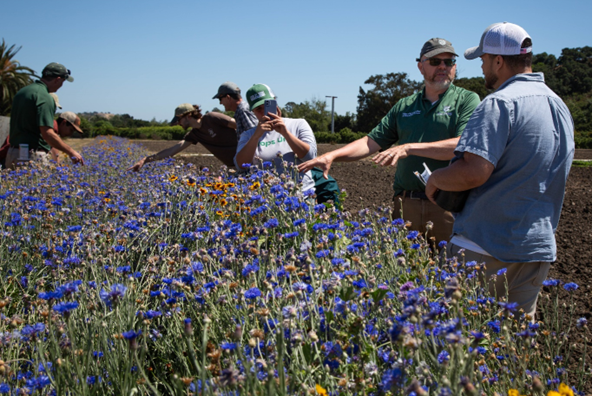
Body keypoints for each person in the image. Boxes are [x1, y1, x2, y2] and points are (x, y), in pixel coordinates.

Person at [425, 22, 575, 319]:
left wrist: (435, 180)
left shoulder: (499, 104)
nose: (481, 68)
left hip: (483, 247)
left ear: (498, 60)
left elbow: (474, 171)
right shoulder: (559, 106)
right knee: (514, 348)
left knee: (461, 340)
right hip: (535, 249)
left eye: (483, 59)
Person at [299, 38, 480, 243]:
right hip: (406, 204)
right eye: (435, 61)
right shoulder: (405, 106)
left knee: (449, 270)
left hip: (447, 204)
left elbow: (462, 145)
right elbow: (370, 142)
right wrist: (332, 155)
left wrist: (409, 148)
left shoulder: (467, 100)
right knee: (405, 270)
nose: (442, 66)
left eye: (449, 62)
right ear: (420, 66)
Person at [234, 84, 317, 192]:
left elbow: (310, 157)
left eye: (267, 105)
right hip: (266, 198)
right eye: (258, 109)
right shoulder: (248, 135)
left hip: (301, 196)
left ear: (275, 103)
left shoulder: (298, 124)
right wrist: (256, 136)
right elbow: (241, 165)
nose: (264, 111)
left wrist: (285, 133)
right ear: (253, 112)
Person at [5, 62, 84, 168]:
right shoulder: (44, 97)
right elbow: (47, 134)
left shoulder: (22, 92)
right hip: (31, 156)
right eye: (62, 82)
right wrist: (71, 152)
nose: (61, 86)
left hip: (12, 153)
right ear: (58, 79)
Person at [128, 103, 238, 171]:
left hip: (251, 159)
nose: (178, 124)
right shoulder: (194, 135)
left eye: (179, 120)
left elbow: (240, 126)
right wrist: (145, 160)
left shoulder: (212, 118)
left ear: (188, 116)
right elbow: (172, 150)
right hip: (234, 166)